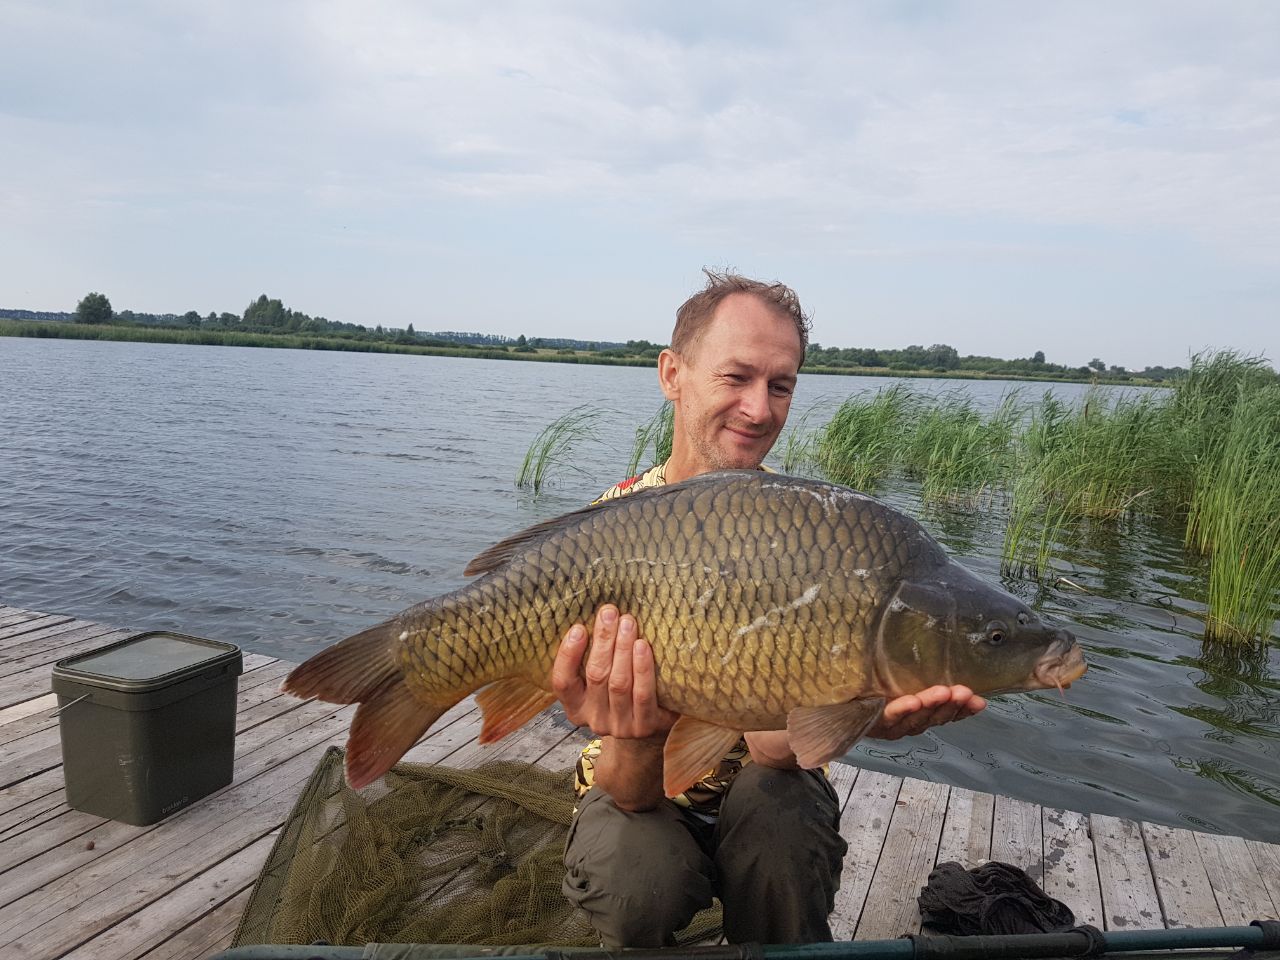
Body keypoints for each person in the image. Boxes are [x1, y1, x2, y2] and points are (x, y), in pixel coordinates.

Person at [551, 272, 986, 947]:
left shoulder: (813, 532)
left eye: (780, 385)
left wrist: (859, 709)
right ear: (673, 373)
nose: (759, 410)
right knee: (639, 878)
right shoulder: (604, 529)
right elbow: (630, 788)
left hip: (766, 785)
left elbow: (774, 752)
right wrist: (637, 733)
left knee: (782, 818)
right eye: (736, 378)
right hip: (634, 785)